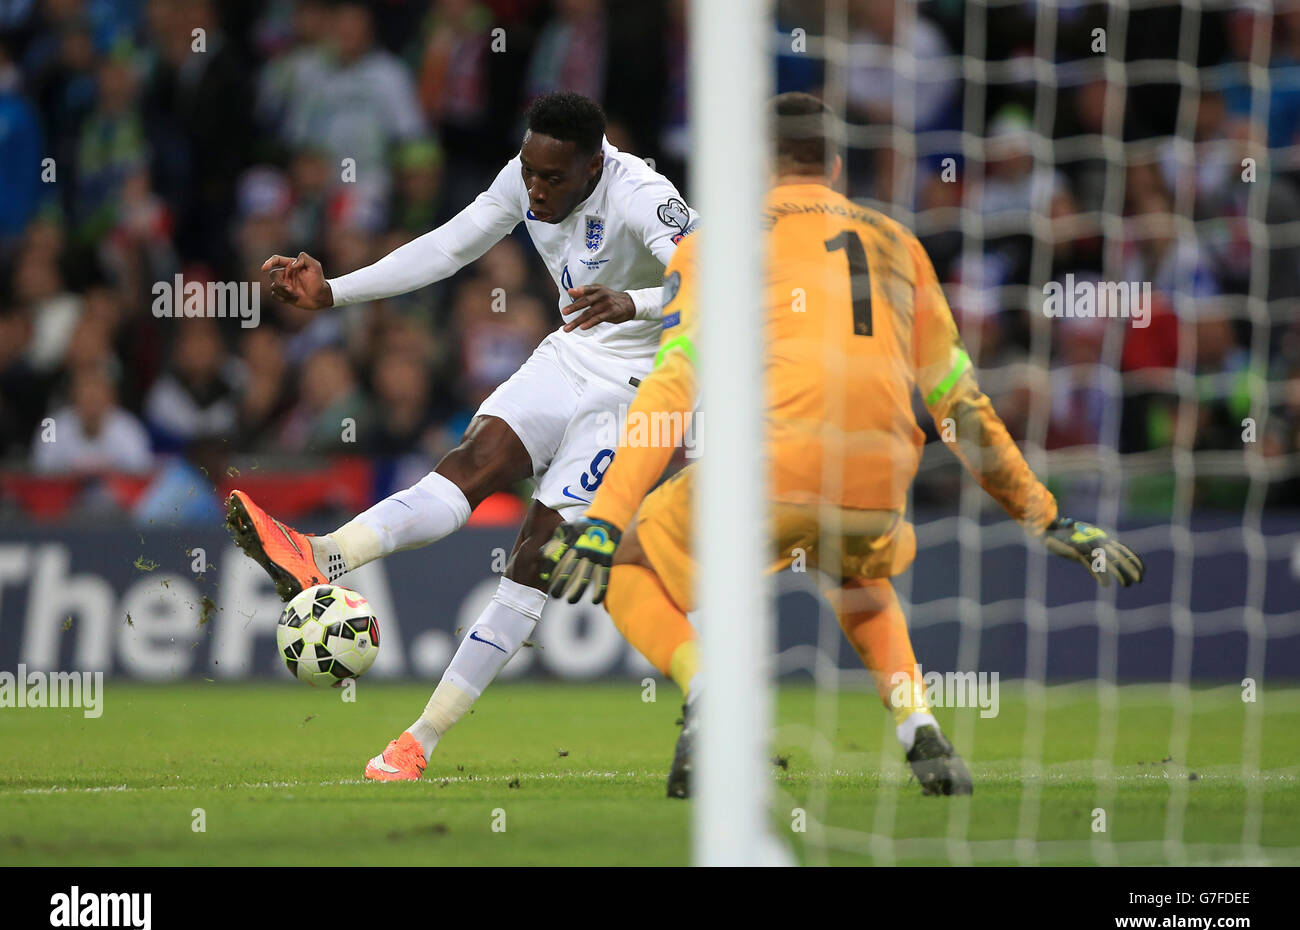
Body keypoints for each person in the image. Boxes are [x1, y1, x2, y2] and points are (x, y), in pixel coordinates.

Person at [540, 93, 1146, 798]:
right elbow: (960, 404)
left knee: (629, 563)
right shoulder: (900, 244)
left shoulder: (720, 244)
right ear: (830, 164)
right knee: (854, 568)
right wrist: (1044, 514)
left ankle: (712, 697)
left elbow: (673, 385)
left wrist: (607, 520)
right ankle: (916, 722)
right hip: (879, 481)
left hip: (769, 470)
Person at [224, 91, 697, 782]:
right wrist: (334, 293)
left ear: (595, 166)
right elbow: (449, 246)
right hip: (570, 354)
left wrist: (637, 301)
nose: (534, 188)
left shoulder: (643, 195)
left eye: (552, 178)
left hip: (638, 387)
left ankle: (422, 737)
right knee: (470, 462)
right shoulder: (526, 174)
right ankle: (323, 555)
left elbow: (717, 277)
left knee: (536, 552)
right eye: (529, 171)